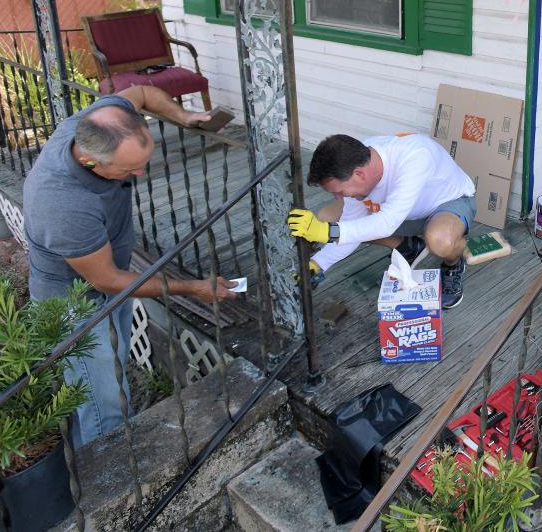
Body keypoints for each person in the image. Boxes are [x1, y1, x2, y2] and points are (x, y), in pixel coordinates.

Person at [24, 87, 238, 447]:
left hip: (110, 284)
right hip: (75, 305)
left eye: (143, 161)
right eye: (129, 169)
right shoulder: (61, 204)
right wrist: (192, 288)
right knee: (101, 403)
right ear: (92, 161)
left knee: (113, 375)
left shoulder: (98, 123)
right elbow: (108, 280)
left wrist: (183, 116)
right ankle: (110, 484)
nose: (140, 173)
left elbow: (139, 92)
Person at [285, 133, 476, 309]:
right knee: (329, 218)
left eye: (340, 191)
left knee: (440, 240)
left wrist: (328, 232)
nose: (338, 197)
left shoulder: (415, 156)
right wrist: (317, 263)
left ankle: (453, 264)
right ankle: (408, 247)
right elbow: (350, 226)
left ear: (359, 174)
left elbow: (386, 223)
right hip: (402, 213)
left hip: (446, 205)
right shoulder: (356, 162)